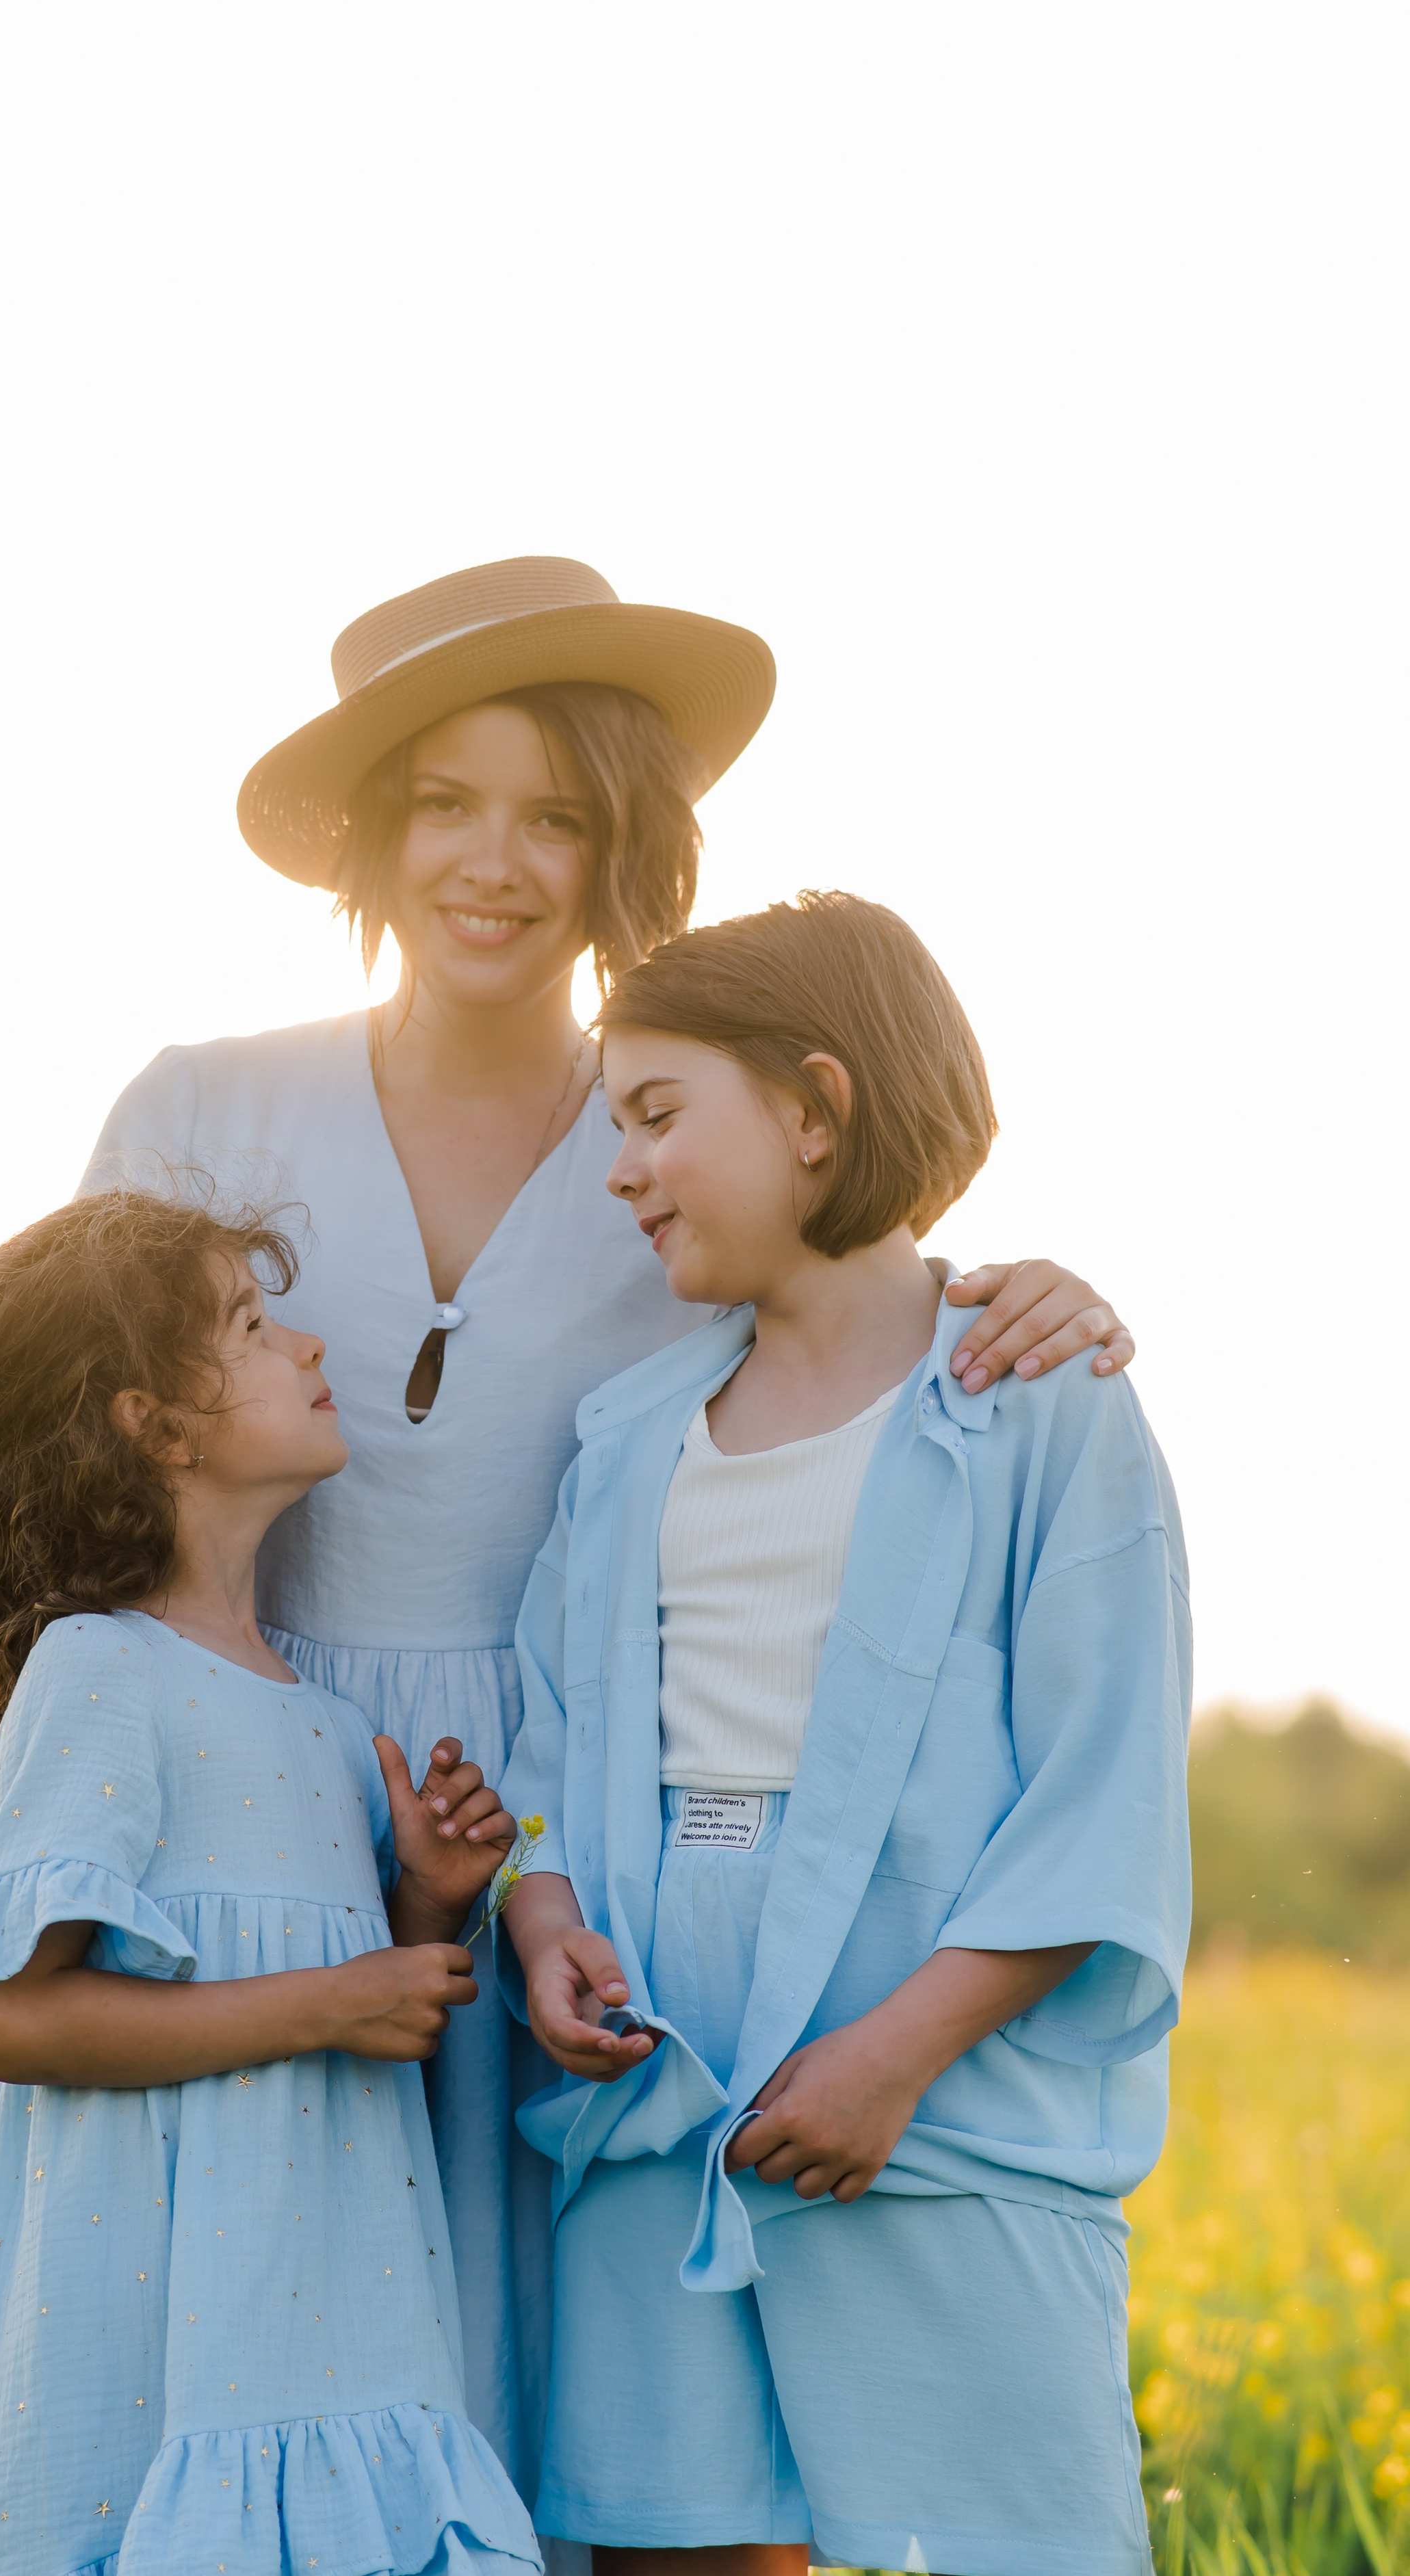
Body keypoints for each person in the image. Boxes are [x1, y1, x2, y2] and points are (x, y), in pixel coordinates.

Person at [0, 556, 1137, 2571]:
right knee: (227, 2346)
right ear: (371, 833)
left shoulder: (666, 1132)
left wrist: (1023, 1283)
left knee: (597, 2410)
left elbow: (844, 1299)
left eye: (561, 815)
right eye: (446, 801)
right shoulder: (201, 1106)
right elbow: (55, 1433)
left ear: (630, 849)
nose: (499, 861)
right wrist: (15, 1730)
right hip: (235, 1806)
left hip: (534, 1832)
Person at [499, 891, 1190, 2576]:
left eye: (657, 1116)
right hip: (661, 2100)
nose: (620, 1168)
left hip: (937, 2105)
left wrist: (891, 2057)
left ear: (813, 1109)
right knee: (672, 2541)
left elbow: (1099, 1789)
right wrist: (542, 1924)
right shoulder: (625, 1438)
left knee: (1009, 2540)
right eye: (613, 1127)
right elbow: (545, 1752)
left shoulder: (1042, 1405)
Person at [0, 1187, 542, 2576]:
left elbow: (337, 2000)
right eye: (255, 1326)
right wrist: (338, 1993)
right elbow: (24, 2020)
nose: (311, 1346)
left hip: (323, 2311)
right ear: (149, 1422)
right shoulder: (102, 1671)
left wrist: (426, 1912)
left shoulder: (323, 1718)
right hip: (168, 2331)